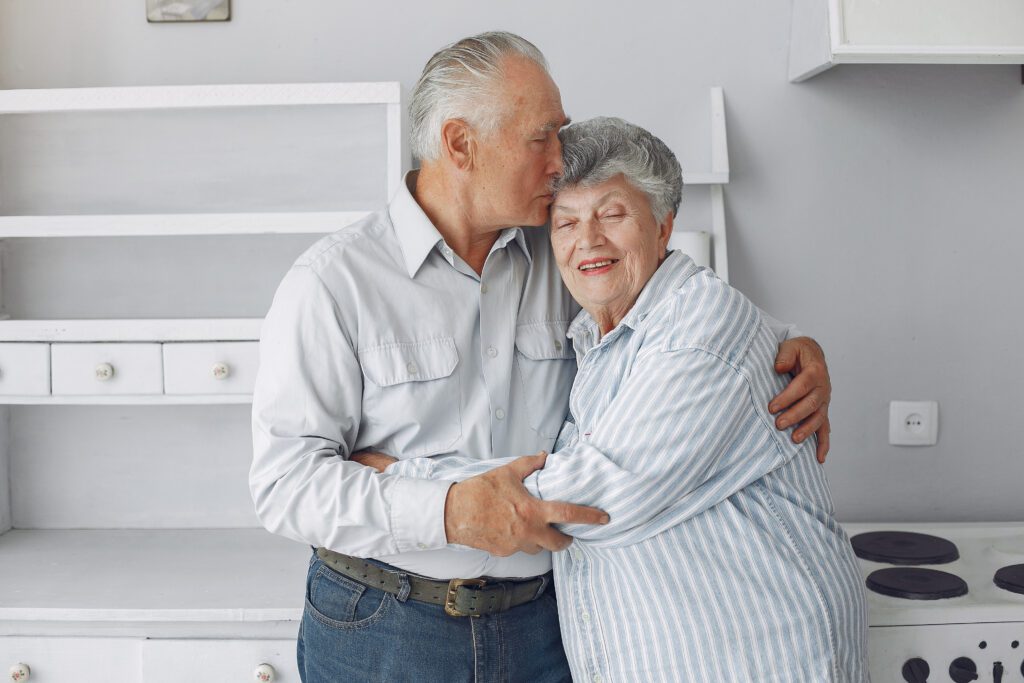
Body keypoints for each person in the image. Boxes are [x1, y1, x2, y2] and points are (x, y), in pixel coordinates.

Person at [251, 32, 835, 682]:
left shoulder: (560, 252)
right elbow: (284, 485)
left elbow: (668, 308)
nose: (561, 160)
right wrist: (445, 508)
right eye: (542, 138)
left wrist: (787, 344)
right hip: (385, 622)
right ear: (461, 144)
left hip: (542, 624)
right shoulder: (333, 283)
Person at [379, 117, 868, 682]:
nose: (588, 240)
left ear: (664, 226)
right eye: (566, 222)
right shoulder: (595, 336)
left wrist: (400, 476)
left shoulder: (702, 329)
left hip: (757, 659)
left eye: (613, 214)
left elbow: (597, 497)